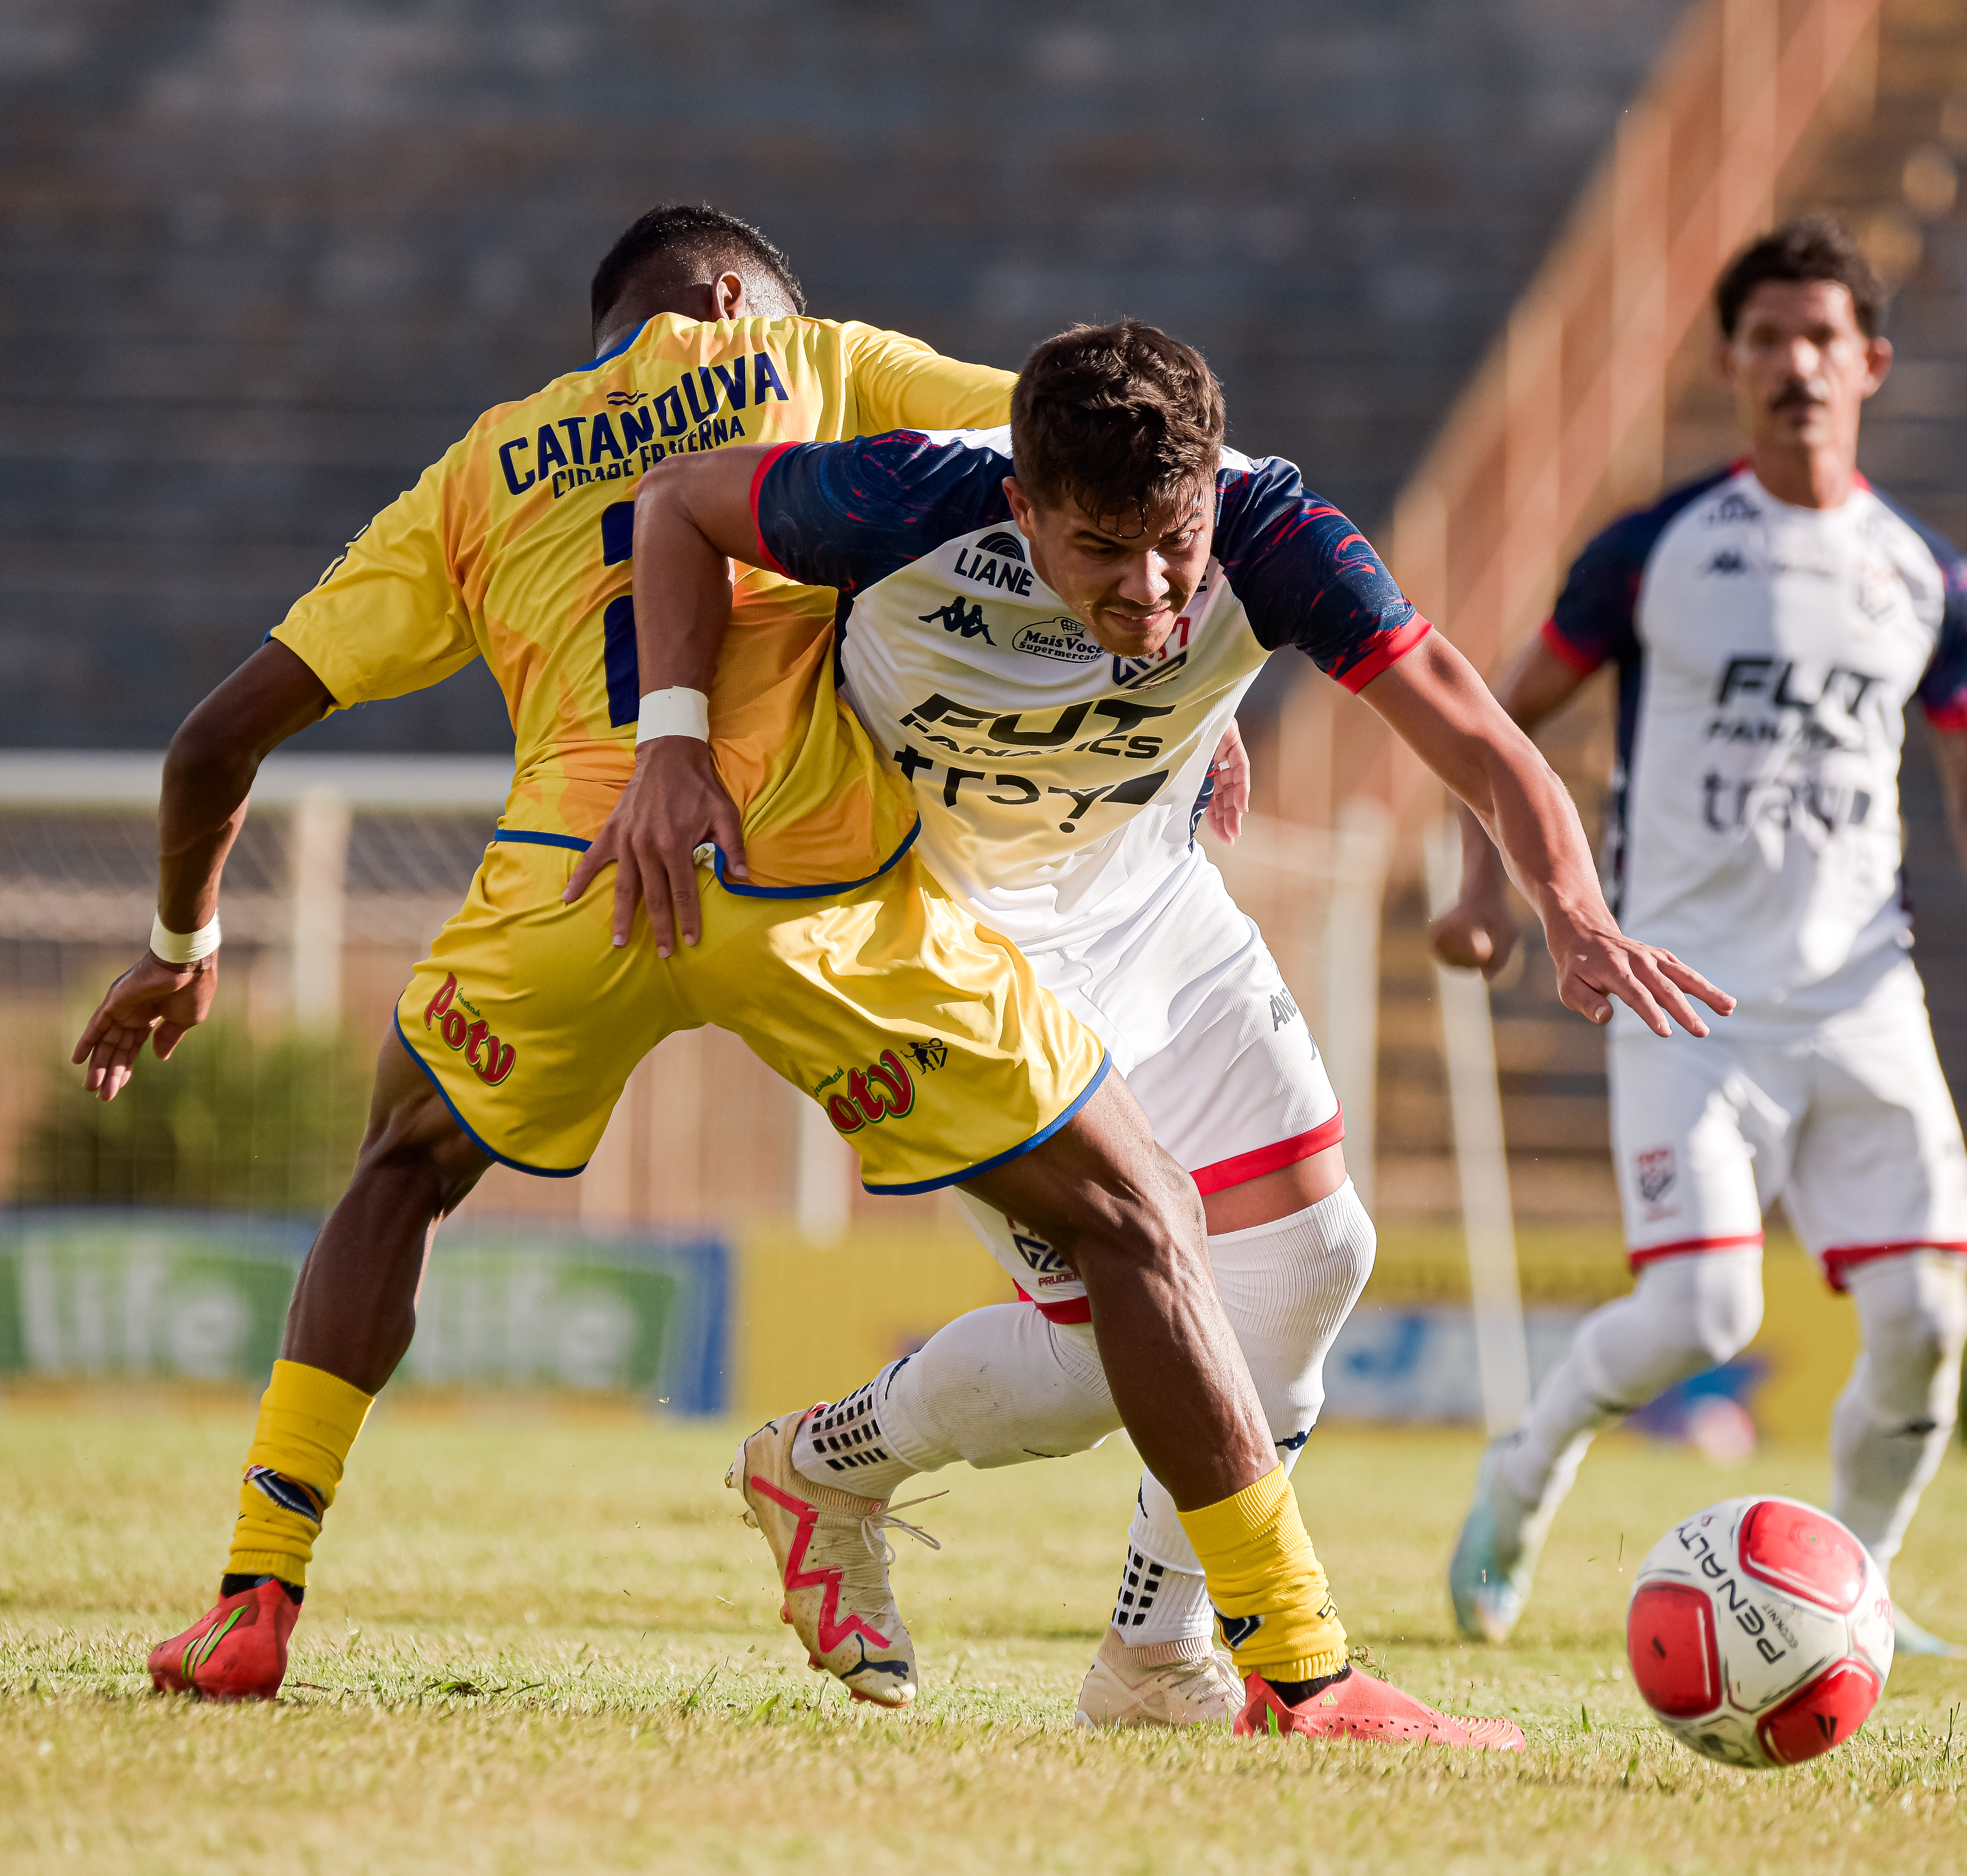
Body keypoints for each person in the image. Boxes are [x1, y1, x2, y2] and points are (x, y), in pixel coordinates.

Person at [76, 207, 1315, 1727]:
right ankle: (1290, 1662)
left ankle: (253, 1599)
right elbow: (1093, 466)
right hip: (812, 881)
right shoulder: (817, 357)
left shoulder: (480, 469)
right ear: (735, 296)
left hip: (576, 884)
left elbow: (216, 738)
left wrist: (182, 945)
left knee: (396, 1173)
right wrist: (1170, 644)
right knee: (1138, 1219)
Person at [573, 316, 1731, 1738]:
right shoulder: (907, 496)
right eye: (1100, 552)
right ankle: (825, 1464)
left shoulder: (1273, 532)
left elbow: (1480, 734)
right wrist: (672, 740)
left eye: (1172, 542)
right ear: (1020, 505)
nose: (1150, 586)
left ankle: (1154, 1662)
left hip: (1148, 911)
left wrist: (1571, 904)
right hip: (935, 941)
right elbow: (678, 500)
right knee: (1104, 1337)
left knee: (1313, 1258)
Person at [1435, 218, 1967, 1654]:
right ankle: (1525, 1463)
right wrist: (1488, 887)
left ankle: (1853, 1589)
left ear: (1869, 362)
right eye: (1767, 338)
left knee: (1926, 1320)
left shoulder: (1924, 579)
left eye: (1821, 338)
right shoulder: (1659, 550)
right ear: (1730, 362)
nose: (1795, 363)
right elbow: (1495, 721)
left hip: (1861, 994)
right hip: (1690, 1000)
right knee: (1703, 1316)